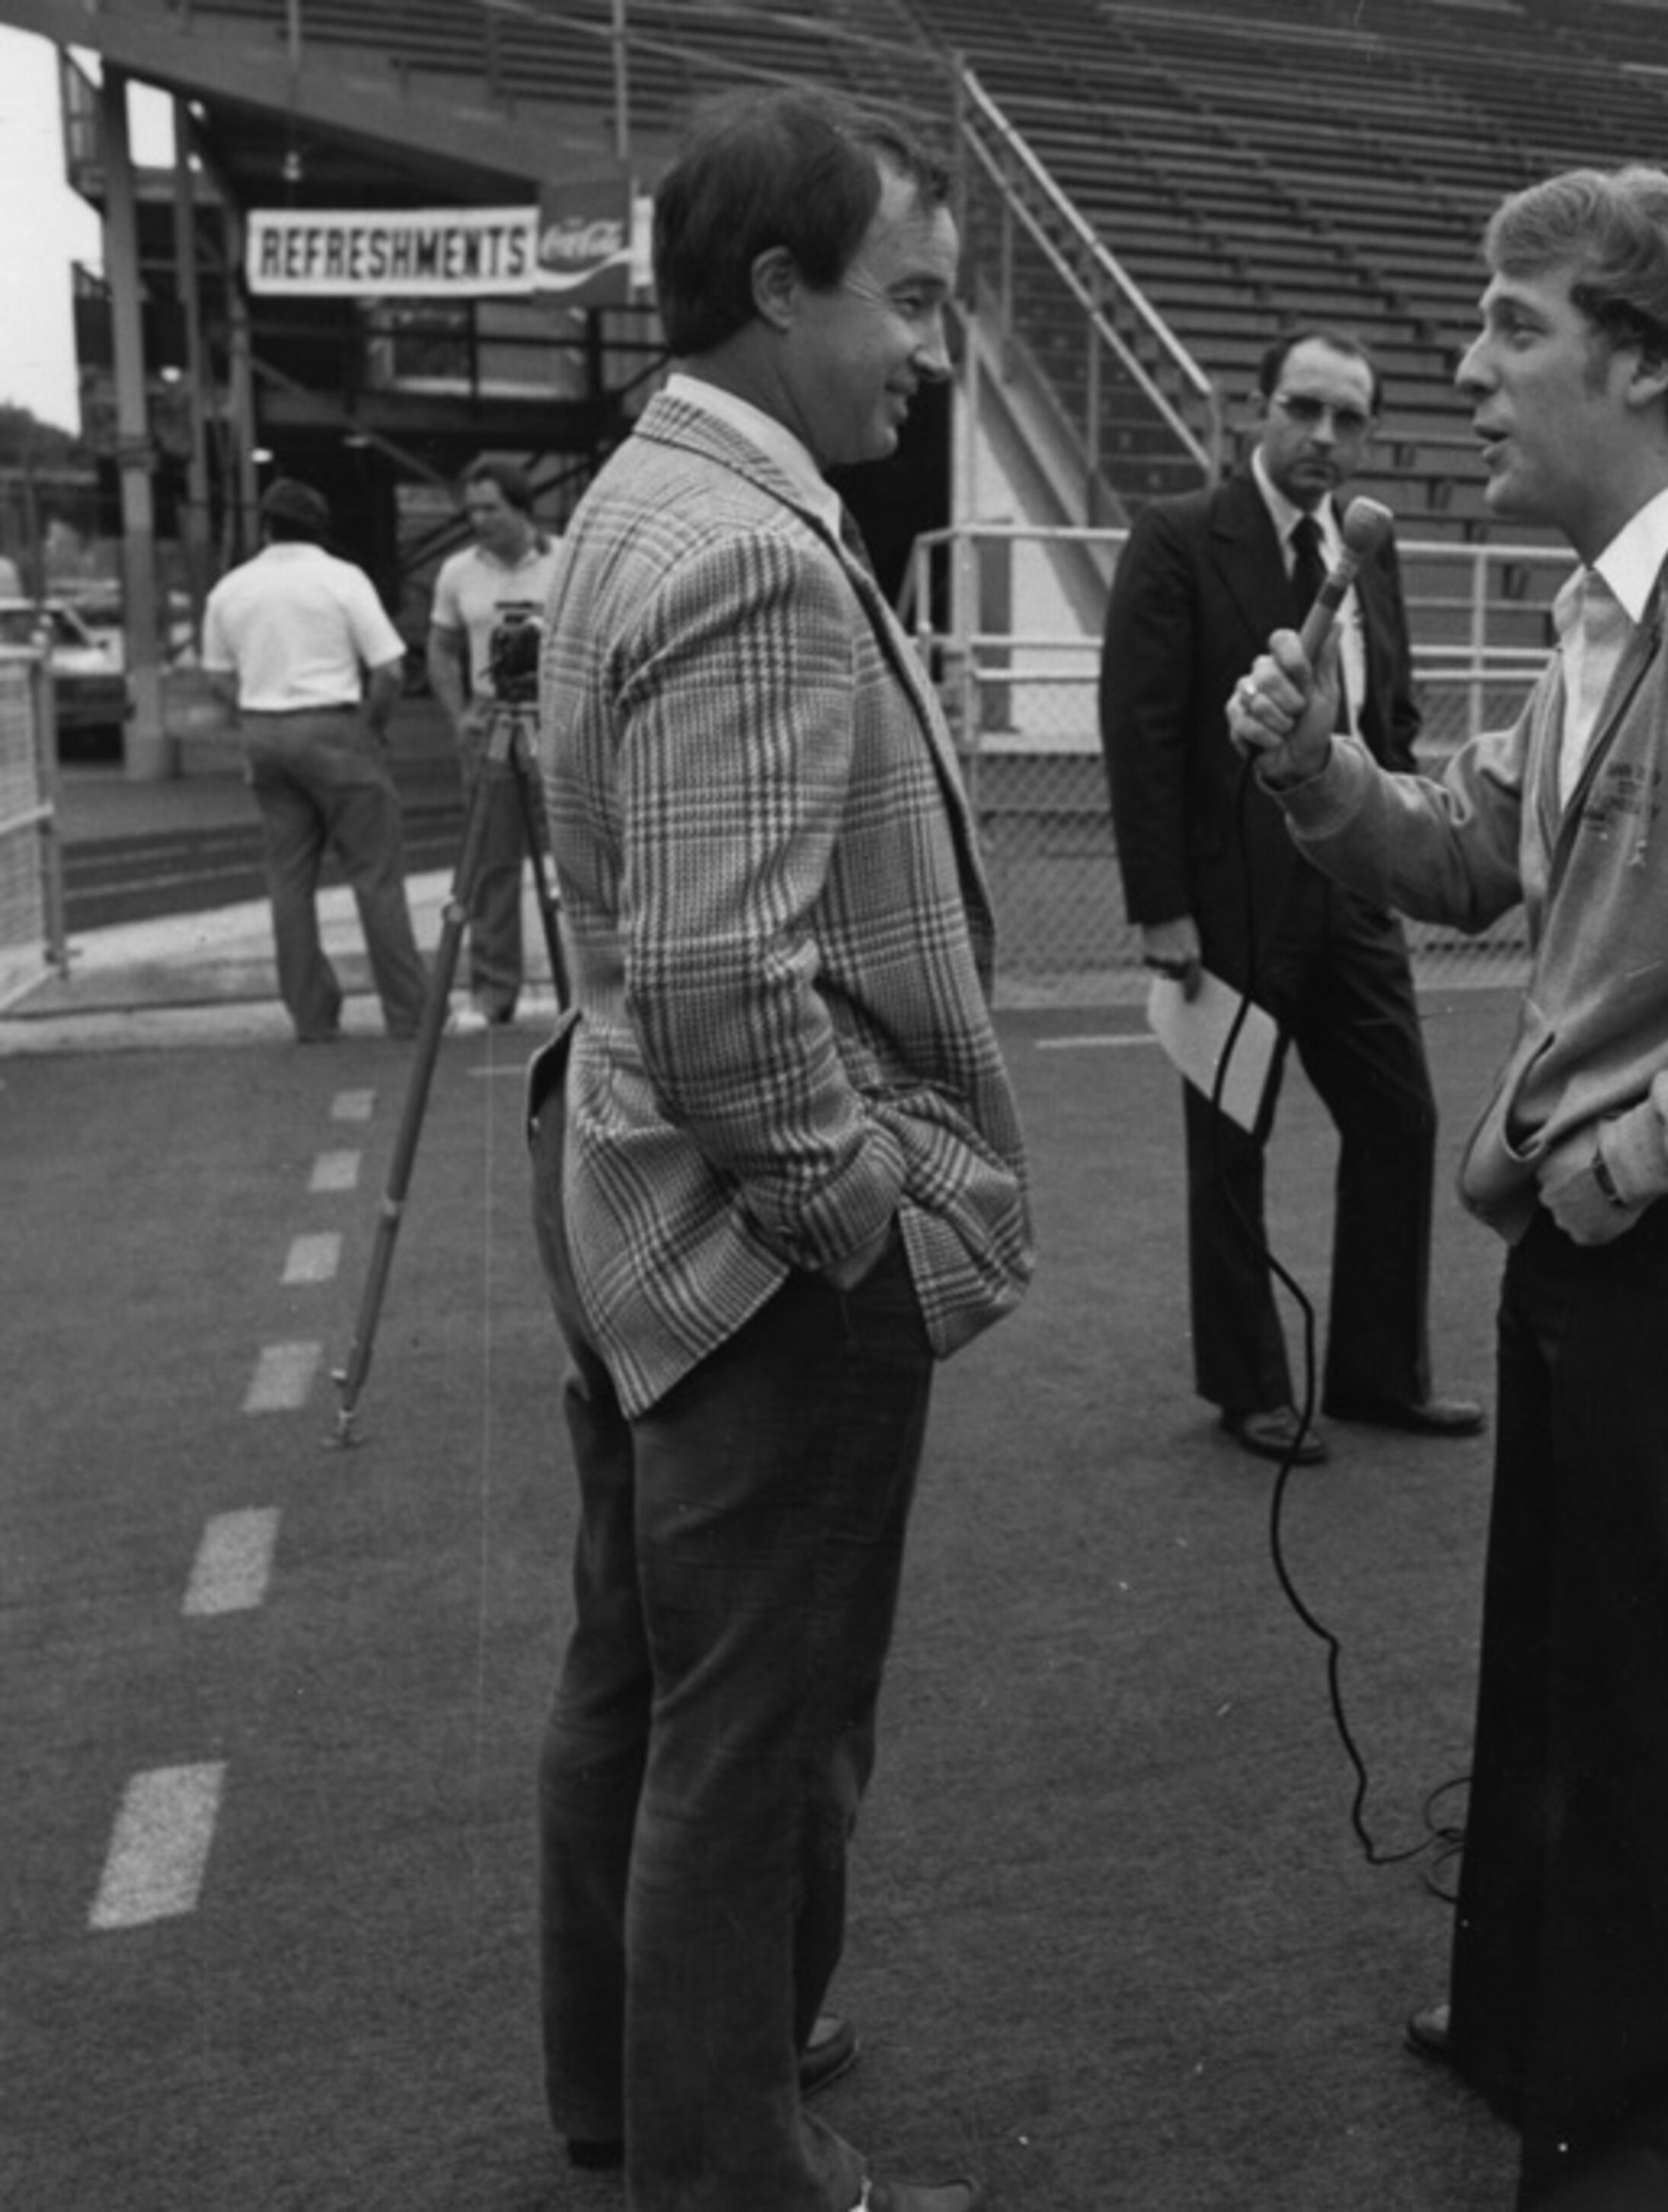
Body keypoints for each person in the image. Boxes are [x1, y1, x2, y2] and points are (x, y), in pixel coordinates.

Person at [1234, 166, 1668, 2211]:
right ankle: (1546, 2022)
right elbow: (1471, 855)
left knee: (1653, 1707)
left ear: (1640, 361)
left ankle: (1655, 2137)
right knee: (1565, 1670)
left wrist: (1632, 1160)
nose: (1463, 369)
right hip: (1596, 1234)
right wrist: (1315, 776)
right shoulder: (1617, 611)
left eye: (1512, 325)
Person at [525, 87, 1031, 2212]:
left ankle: (635, 2083)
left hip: (635, 1201)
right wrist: (867, 1224)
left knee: (645, 1686)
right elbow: (735, 991)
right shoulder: (750, 546)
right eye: (904, 301)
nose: (929, 349)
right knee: (759, 1731)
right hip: (754, 1248)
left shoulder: (648, 494)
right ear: (774, 291)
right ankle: (731, 2164)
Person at [1098, 327, 1481, 1466]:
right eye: (1303, 409)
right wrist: (1160, 906)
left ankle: (1375, 1374)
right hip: (1225, 907)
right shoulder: (1177, 539)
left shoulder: (1369, 551)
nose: (1325, 437)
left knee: (1401, 1120)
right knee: (1230, 1149)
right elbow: (1144, 727)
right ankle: (1250, 1384)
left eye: (1349, 418)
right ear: (1254, 412)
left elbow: (1390, 710)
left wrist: (1394, 828)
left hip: (1349, 895)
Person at [199, 478, 427, 1043]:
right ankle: (409, 1013)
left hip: (264, 733)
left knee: (289, 880)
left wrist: (255, 714)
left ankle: (312, 1017)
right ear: (320, 529)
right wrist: (370, 727)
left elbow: (217, 675)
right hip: (336, 727)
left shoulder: (231, 588)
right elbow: (391, 670)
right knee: (375, 876)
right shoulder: (342, 580)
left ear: (266, 526)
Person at [425, 456, 559, 1025]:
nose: (479, 519)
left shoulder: (571, 558)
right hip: (492, 723)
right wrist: (459, 715)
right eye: (471, 510)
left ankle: (596, 989)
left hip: (558, 721)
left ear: (521, 508)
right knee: (493, 865)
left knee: (587, 860)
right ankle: (493, 993)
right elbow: (440, 648)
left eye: (491, 508)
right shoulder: (458, 572)